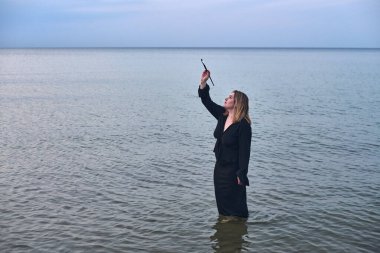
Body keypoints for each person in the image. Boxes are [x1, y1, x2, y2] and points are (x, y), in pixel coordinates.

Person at [198, 70, 252, 219]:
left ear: (237, 103)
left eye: (230, 97)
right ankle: (225, 228)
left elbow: (244, 152)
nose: (226, 98)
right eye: (227, 96)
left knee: (235, 205)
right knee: (221, 203)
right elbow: (206, 101)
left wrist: (241, 174)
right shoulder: (223, 115)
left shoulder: (243, 125)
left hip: (233, 172)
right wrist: (203, 82)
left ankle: (238, 227)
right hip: (219, 169)